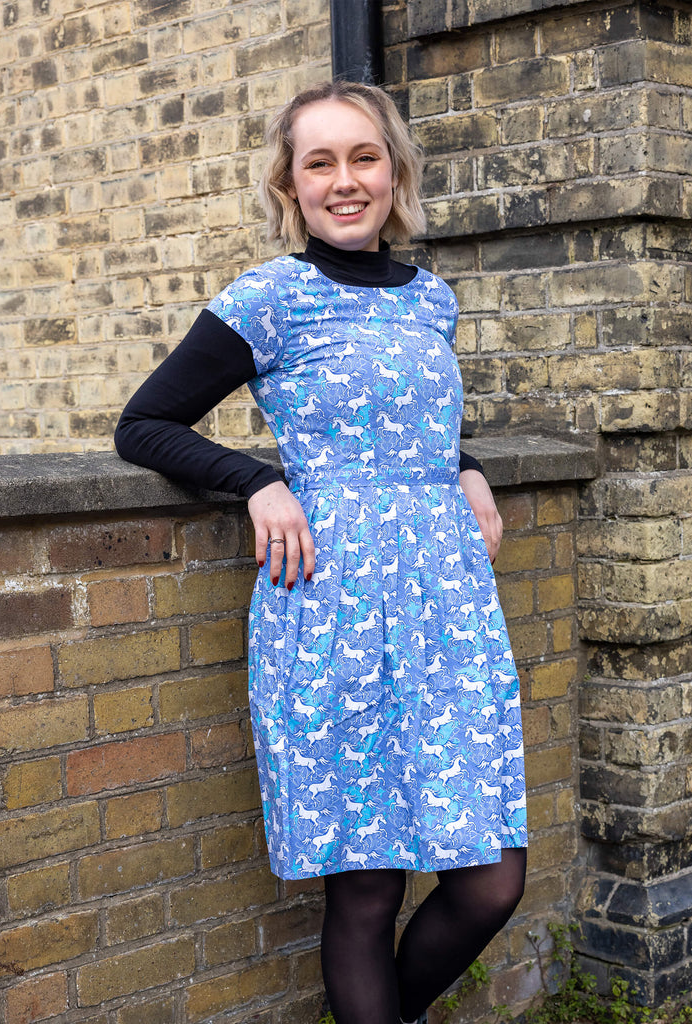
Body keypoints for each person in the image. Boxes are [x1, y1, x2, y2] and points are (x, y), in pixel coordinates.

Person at [115, 79, 527, 1024]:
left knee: (488, 883)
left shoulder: (432, 300)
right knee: (367, 892)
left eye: (363, 157)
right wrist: (257, 480)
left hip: (444, 611)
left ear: (393, 172)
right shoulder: (269, 297)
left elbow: (399, 418)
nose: (344, 181)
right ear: (289, 184)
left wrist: (460, 466)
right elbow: (143, 423)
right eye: (319, 162)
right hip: (331, 610)